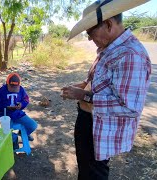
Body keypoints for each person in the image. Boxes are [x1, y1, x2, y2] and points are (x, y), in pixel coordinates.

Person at [61, 0, 151, 179]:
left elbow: (129, 107)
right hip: (90, 122)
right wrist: (85, 85)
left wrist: (84, 96)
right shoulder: (110, 48)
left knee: (94, 174)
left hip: (100, 128)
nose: (89, 38)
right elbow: (103, 83)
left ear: (108, 24)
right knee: (86, 170)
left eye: (90, 32)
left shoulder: (130, 55)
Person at [0, 73, 37, 149]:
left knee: (33, 125)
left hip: (18, 114)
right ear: (7, 83)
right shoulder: (2, 90)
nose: (13, 89)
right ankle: (14, 140)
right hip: (5, 115)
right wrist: (7, 107)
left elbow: (26, 100)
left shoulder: (21, 89)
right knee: (8, 135)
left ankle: (23, 134)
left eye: (15, 88)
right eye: (11, 87)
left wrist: (21, 105)